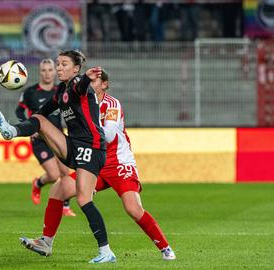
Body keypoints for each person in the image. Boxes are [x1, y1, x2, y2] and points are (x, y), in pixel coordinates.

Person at [20, 70, 177, 261]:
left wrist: (85, 128)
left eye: (95, 81)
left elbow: (109, 135)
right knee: (59, 188)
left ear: (104, 85)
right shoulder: (81, 102)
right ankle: (46, 242)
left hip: (118, 163)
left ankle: (166, 249)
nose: (90, 84)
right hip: (94, 161)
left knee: (133, 208)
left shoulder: (111, 104)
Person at [0, 50, 116, 264]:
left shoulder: (78, 82)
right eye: (58, 64)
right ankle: (46, 242)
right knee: (57, 188)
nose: (59, 68)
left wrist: (87, 77)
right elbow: (42, 111)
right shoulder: (61, 90)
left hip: (92, 148)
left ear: (76, 68)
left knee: (84, 199)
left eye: (63, 64)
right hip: (73, 145)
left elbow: (80, 86)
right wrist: (30, 127)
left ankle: (106, 251)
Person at [15, 58, 75, 216]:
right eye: (44, 70)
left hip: (58, 137)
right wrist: (29, 126)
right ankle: (38, 183)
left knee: (65, 172)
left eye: (50, 70)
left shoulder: (61, 90)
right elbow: (19, 111)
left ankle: (65, 207)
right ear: (39, 72)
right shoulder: (30, 92)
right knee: (54, 175)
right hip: (39, 139)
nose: (47, 73)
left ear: (55, 72)